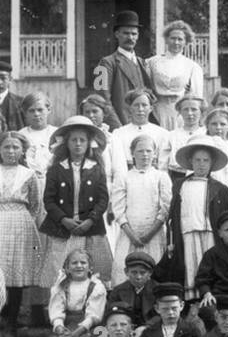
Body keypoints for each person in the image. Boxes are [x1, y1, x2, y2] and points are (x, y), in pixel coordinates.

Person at [0, 131, 42, 337]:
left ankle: (12, 323)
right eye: (6, 147)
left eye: (15, 147)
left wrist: (21, 217)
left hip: (21, 223)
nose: (11, 151)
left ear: (22, 151)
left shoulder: (29, 175)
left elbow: (35, 205)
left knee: (16, 273)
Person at [39, 115, 113, 285]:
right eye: (74, 140)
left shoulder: (96, 168)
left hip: (90, 227)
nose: (78, 144)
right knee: (60, 272)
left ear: (88, 143)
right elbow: (49, 200)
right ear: (67, 143)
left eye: (82, 140)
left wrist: (90, 220)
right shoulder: (56, 169)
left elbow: (103, 199)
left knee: (94, 271)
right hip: (63, 228)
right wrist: (64, 219)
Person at [164, 141, 228, 301]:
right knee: (190, 265)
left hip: (210, 232)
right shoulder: (180, 185)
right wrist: (171, 238)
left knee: (210, 266)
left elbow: (226, 217)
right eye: (197, 160)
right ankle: (192, 300)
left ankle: (211, 297)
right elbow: (172, 214)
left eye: (205, 161)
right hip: (187, 231)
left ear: (212, 163)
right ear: (191, 162)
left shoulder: (220, 188)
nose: (201, 164)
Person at [109, 134, 172, 285]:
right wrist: (131, 235)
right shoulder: (124, 177)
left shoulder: (161, 176)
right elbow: (118, 208)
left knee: (154, 269)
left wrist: (149, 234)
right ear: (132, 153)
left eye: (149, 151)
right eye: (140, 151)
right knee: (125, 271)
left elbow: (165, 207)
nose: (145, 155)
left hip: (154, 233)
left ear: (155, 153)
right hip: (129, 233)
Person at [92, 10, 158, 126]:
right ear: (117, 34)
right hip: (122, 123)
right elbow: (102, 99)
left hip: (143, 123)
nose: (130, 37)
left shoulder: (142, 63)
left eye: (134, 34)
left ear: (138, 36)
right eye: (126, 33)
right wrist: (116, 126)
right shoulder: (106, 63)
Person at [147, 20, 205, 131]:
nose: (176, 42)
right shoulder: (152, 62)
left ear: (186, 42)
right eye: (173, 38)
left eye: (180, 39)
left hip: (180, 113)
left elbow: (196, 96)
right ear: (166, 39)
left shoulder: (192, 66)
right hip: (156, 111)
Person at [107, 89, 172, 176]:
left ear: (151, 108)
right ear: (130, 108)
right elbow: (117, 163)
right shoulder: (119, 133)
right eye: (136, 105)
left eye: (144, 105)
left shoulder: (162, 134)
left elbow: (163, 165)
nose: (140, 109)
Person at [106, 250, 161, 330]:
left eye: (142, 273)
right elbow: (111, 313)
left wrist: (146, 327)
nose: (138, 277)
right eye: (134, 272)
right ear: (126, 272)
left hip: (152, 329)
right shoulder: (118, 291)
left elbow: (163, 314)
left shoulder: (158, 290)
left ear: (150, 273)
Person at [19, 91, 57, 180]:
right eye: (31, 111)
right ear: (25, 113)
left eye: (40, 110)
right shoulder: (21, 135)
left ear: (48, 110)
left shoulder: (57, 133)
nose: (36, 114)